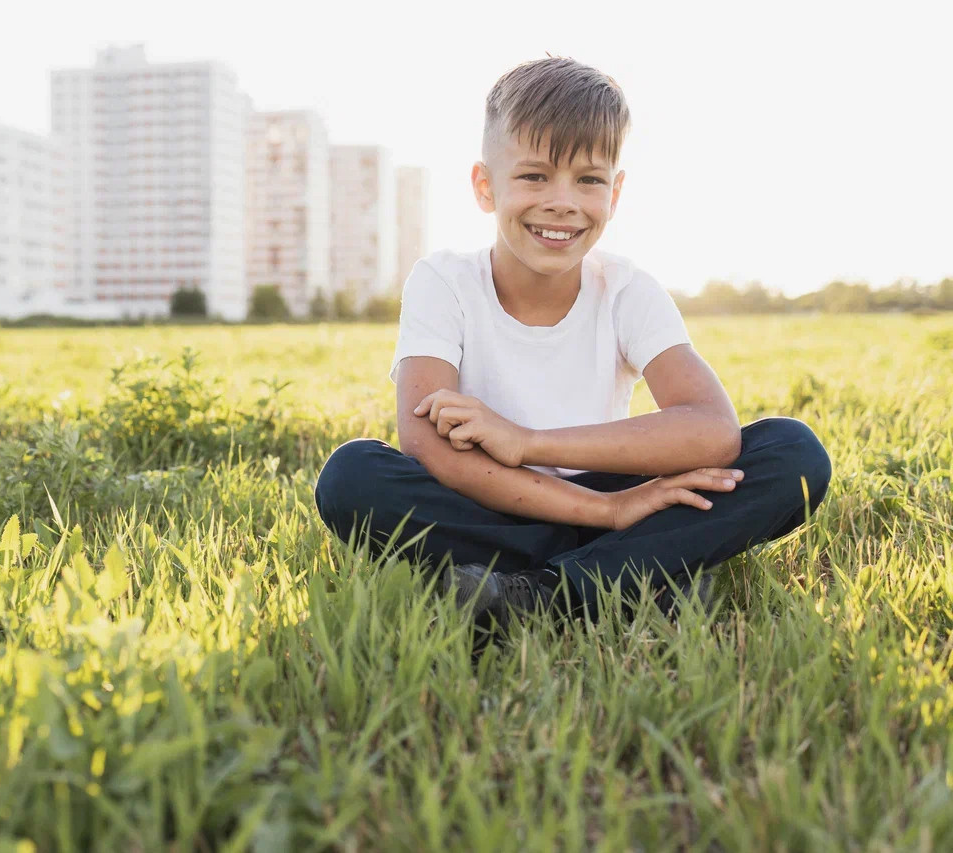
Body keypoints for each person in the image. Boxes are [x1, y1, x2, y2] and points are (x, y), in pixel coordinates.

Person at [313, 56, 832, 628]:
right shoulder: (443, 281)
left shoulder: (627, 289)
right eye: (534, 176)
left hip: (607, 486)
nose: (562, 202)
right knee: (353, 475)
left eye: (588, 179)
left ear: (615, 193)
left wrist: (527, 441)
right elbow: (426, 446)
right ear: (486, 186)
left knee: (791, 453)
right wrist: (608, 512)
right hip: (494, 499)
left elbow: (712, 431)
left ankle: (534, 592)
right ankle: (638, 575)